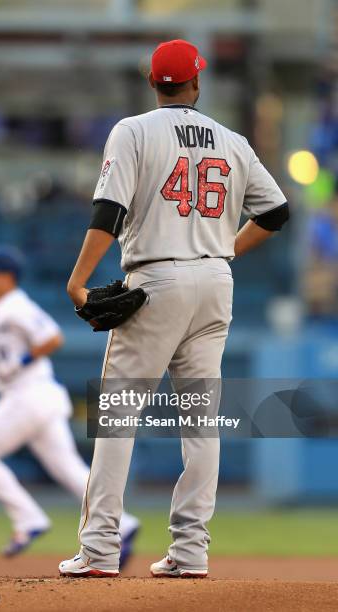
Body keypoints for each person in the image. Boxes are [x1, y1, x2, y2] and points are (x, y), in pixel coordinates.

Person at [59, 39, 289, 578]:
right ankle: (190, 552)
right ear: (196, 82)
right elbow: (277, 211)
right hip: (215, 280)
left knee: (117, 415)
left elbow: (108, 210)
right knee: (199, 418)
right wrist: (223, 249)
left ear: (152, 83)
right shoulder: (231, 141)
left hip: (157, 276)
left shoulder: (133, 130)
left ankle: (98, 550)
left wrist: (78, 280)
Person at [0, 245, 139, 562]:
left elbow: (53, 337)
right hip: (37, 398)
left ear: (4, 276)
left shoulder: (15, 305)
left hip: (28, 396)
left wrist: (24, 358)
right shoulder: (2, 307)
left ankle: (28, 518)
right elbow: (8, 349)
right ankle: (121, 524)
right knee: (69, 470)